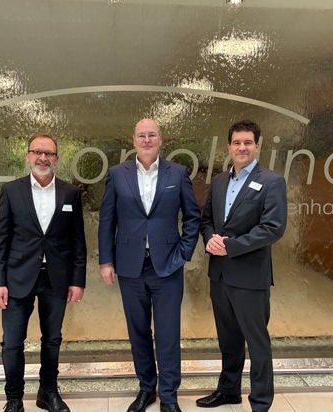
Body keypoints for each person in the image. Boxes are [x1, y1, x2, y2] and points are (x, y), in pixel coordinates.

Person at [98, 119, 201, 412]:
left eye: (152, 135)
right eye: (141, 135)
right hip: (129, 266)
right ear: (133, 140)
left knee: (168, 333)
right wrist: (106, 260)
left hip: (167, 266)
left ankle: (168, 396)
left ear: (160, 139)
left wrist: (184, 253)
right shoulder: (117, 174)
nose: (146, 140)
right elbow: (107, 220)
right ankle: (147, 389)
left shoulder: (177, 173)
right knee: (138, 332)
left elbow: (192, 216)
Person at [0, 133, 87, 412]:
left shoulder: (70, 193)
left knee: (52, 339)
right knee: (12, 342)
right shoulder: (11, 191)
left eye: (49, 153)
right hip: (17, 277)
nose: (43, 158)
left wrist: (77, 280)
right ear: (28, 156)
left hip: (56, 278)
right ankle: (14, 399)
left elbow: (78, 241)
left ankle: (48, 392)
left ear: (56, 159)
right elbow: (1, 239)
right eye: (37, 152)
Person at [197, 120, 287, 412]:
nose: (242, 147)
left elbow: (272, 228)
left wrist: (230, 246)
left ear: (257, 146)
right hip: (220, 275)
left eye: (248, 142)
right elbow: (207, 220)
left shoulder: (272, 182)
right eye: (237, 142)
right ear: (228, 147)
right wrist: (210, 238)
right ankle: (228, 391)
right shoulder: (219, 181)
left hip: (250, 276)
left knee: (257, 342)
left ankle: (260, 402)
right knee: (229, 340)